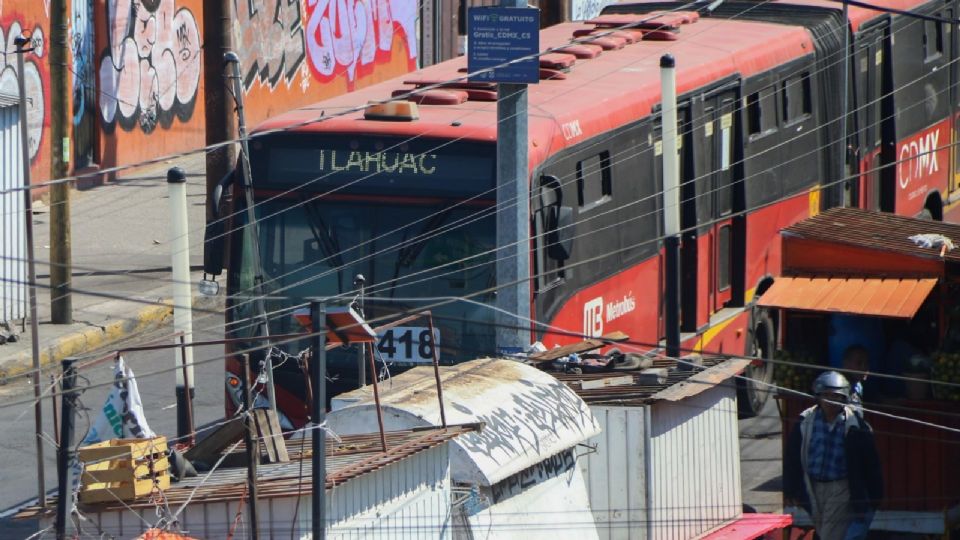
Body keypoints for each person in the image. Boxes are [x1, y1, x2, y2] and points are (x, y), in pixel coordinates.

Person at [784, 371, 883, 540]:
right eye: (826, 395)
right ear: (818, 397)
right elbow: (792, 457)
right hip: (812, 487)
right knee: (822, 530)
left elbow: (871, 464)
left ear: (844, 399)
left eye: (836, 396)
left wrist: (873, 497)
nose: (830, 401)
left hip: (840, 488)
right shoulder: (806, 421)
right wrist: (790, 489)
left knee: (830, 535)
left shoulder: (855, 427)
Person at [841, 345, 870, 415]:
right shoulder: (838, 387)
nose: (864, 368)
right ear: (846, 364)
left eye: (866, 363)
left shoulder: (859, 385)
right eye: (859, 363)